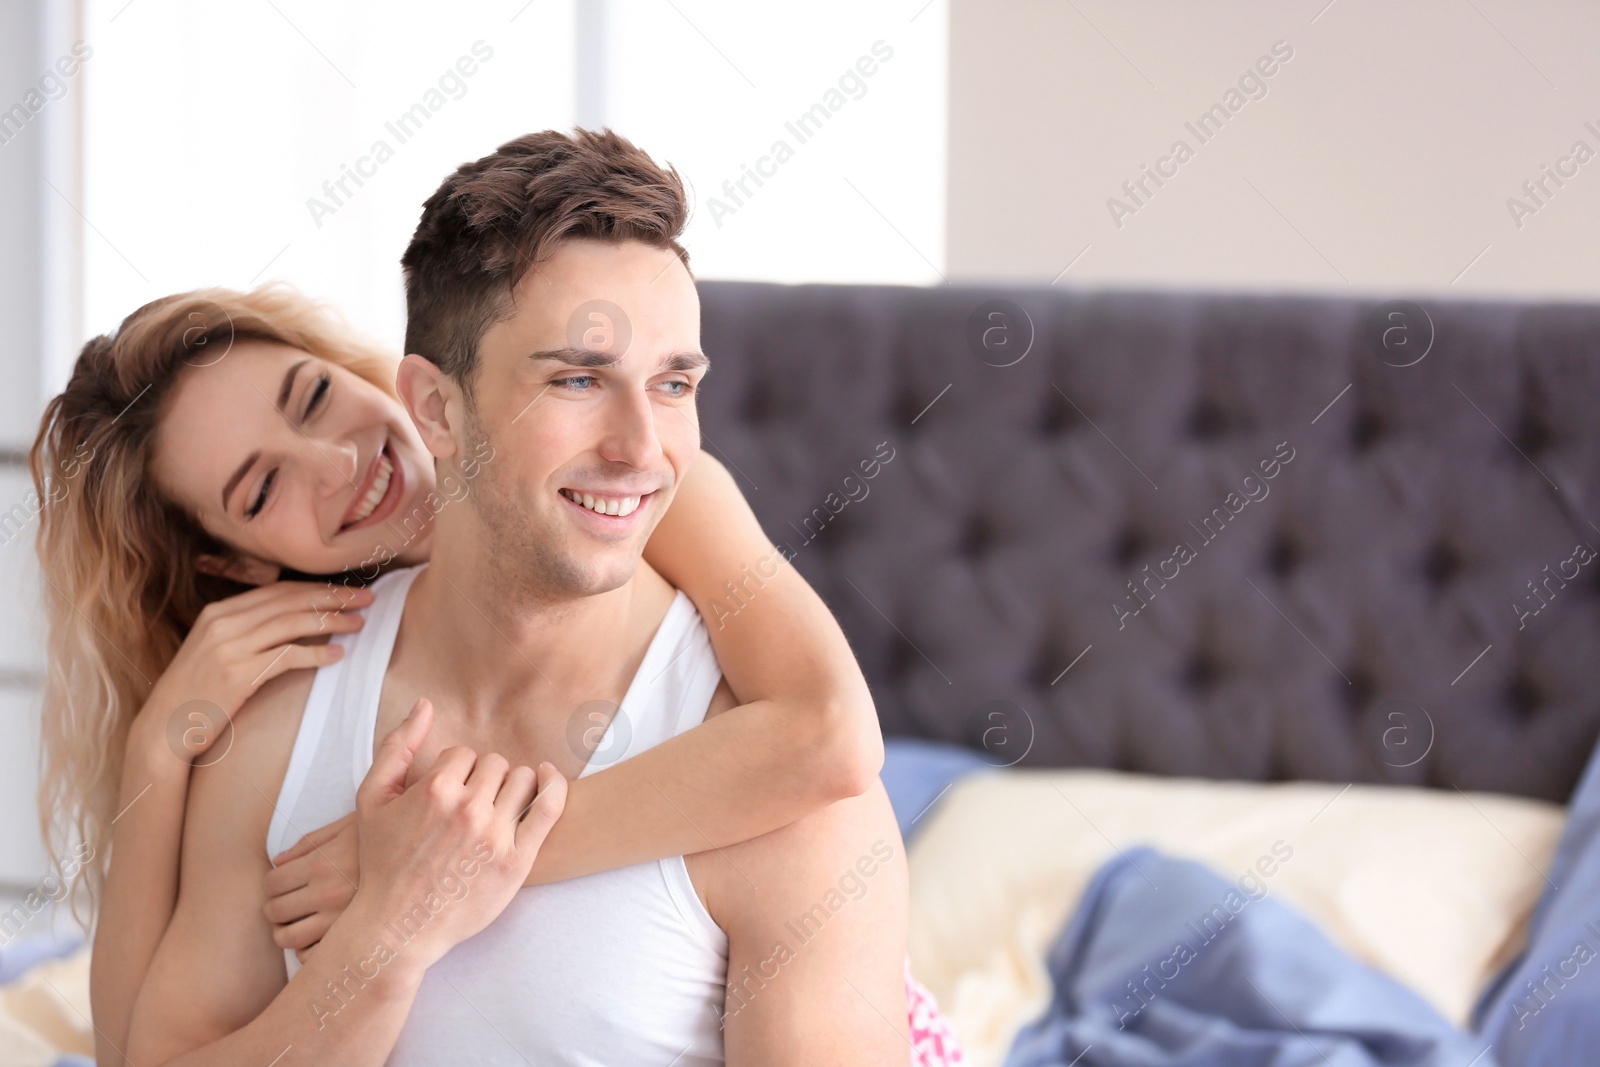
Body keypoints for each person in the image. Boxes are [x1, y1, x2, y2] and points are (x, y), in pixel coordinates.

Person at [32, 141, 959, 1064]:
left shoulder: (671, 500)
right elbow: (132, 1052)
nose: (340, 463)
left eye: (314, 399)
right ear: (237, 568)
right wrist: (167, 747)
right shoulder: (273, 722)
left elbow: (830, 733)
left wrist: (473, 851)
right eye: (262, 489)